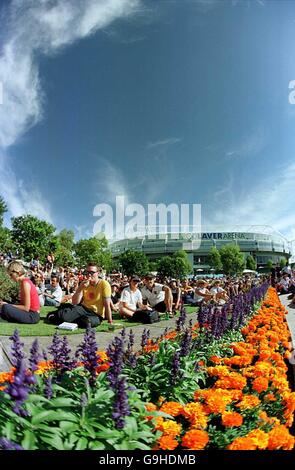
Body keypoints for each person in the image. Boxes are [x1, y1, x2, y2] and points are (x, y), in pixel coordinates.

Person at [47, 262, 113, 329]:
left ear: (98, 273)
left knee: (86, 322)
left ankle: (60, 318)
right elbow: (75, 302)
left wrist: (110, 320)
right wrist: (80, 288)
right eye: (87, 272)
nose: (89, 275)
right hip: (83, 309)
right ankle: (59, 316)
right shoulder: (84, 284)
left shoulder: (104, 284)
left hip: (96, 314)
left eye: (92, 272)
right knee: (64, 316)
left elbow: (107, 305)